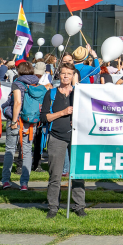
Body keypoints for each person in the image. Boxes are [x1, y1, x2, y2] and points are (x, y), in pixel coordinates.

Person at [42, 62, 86, 218]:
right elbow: (45, 117)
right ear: (58, 75)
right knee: (55, 174)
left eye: (69, 73)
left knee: (78, 173)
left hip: (76, 139)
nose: (66, 76)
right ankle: (53, 207)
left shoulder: (80, 93)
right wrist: (63, 112)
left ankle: (79, 206)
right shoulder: (51, 93)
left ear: (74, 75)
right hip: (56, 137)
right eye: (63, 73)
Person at [1, 60, 44, 190]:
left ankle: (6, 180)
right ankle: (24, 183)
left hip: (17, 120)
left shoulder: (17, 83)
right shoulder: (37, 83)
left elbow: (18, 103)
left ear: (19, 71)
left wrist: (14, 121)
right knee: (27, 151)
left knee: (10, 149)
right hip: (30, 122)